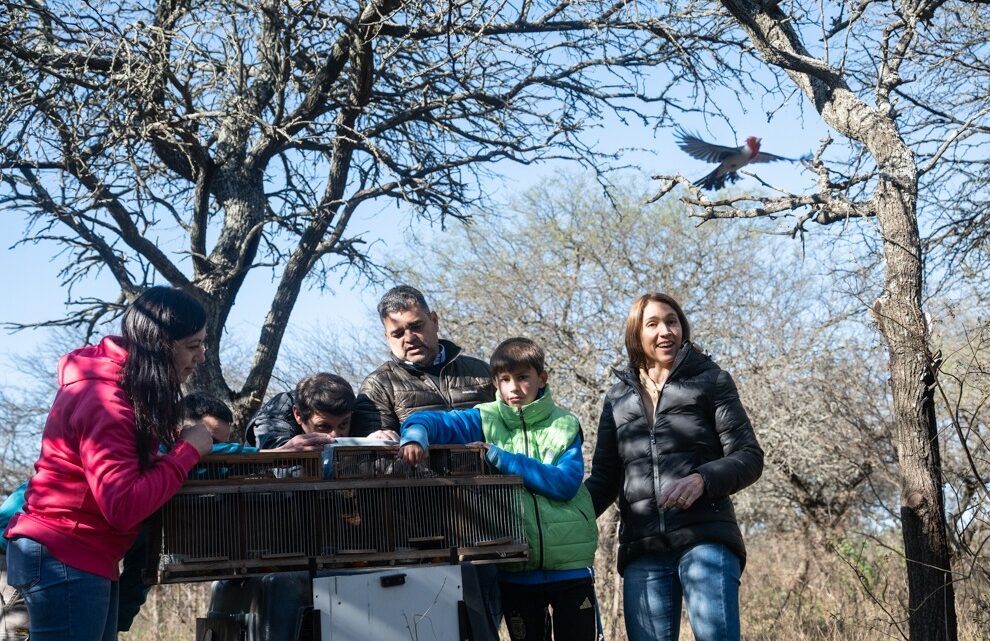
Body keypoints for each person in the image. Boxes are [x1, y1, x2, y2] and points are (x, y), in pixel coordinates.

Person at [2, 286, 215, 641]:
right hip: (65, 555)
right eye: (193, 346)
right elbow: (123, 506)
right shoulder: (107, 401)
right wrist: (186, 453)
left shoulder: (124, 390)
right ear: (161, 345)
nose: (202, 356)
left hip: (78, 555)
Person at [584, 293, 764, 641]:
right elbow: (604, 480)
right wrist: (560, 516)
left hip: (706, 538)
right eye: (652, 324)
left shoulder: (712, 381)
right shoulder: (617, 398)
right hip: (643, 546)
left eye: (672, 321)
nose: (665, 331)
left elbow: (749, 456)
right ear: (636, 334)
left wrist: (702, 479)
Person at [400, 337, 600, 641]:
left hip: (570, 569)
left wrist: (501, 457)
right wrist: (415, 435)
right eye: (505, 379)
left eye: (522, 378)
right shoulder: (484, 418)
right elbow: (429, 420)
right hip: (514, 569)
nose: (513, 388)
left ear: (541, 378)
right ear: (495, 382)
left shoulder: (565, 424)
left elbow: (565, 483)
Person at [351, 285, 494, 438]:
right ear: (387, 337)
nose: (409, 338)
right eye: (398, 334)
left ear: (434, 321)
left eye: (416, 326)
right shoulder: (378, 386)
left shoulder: (482, 372)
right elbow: (373, 456)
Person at [245, 372, 360, 449]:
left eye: (343, 424)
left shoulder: (358, 414)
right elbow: (281, 462)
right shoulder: (272, 420)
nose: (335, 436)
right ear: (298, 414)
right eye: (323, 426)